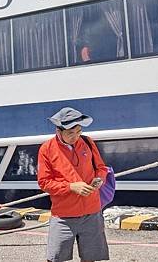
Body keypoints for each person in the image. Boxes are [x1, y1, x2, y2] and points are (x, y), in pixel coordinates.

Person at [37, 107, 110, 262]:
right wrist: (71, 187)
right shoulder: (46, 149)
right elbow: (44, 182)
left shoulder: (88, 142)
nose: (75, 137)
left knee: (90, 258)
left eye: (78, 131)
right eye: (70, 133)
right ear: (59, 131)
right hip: (64, 214)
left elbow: (101, 168)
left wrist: (99, 180)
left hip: (92, 211)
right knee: (55, 258)